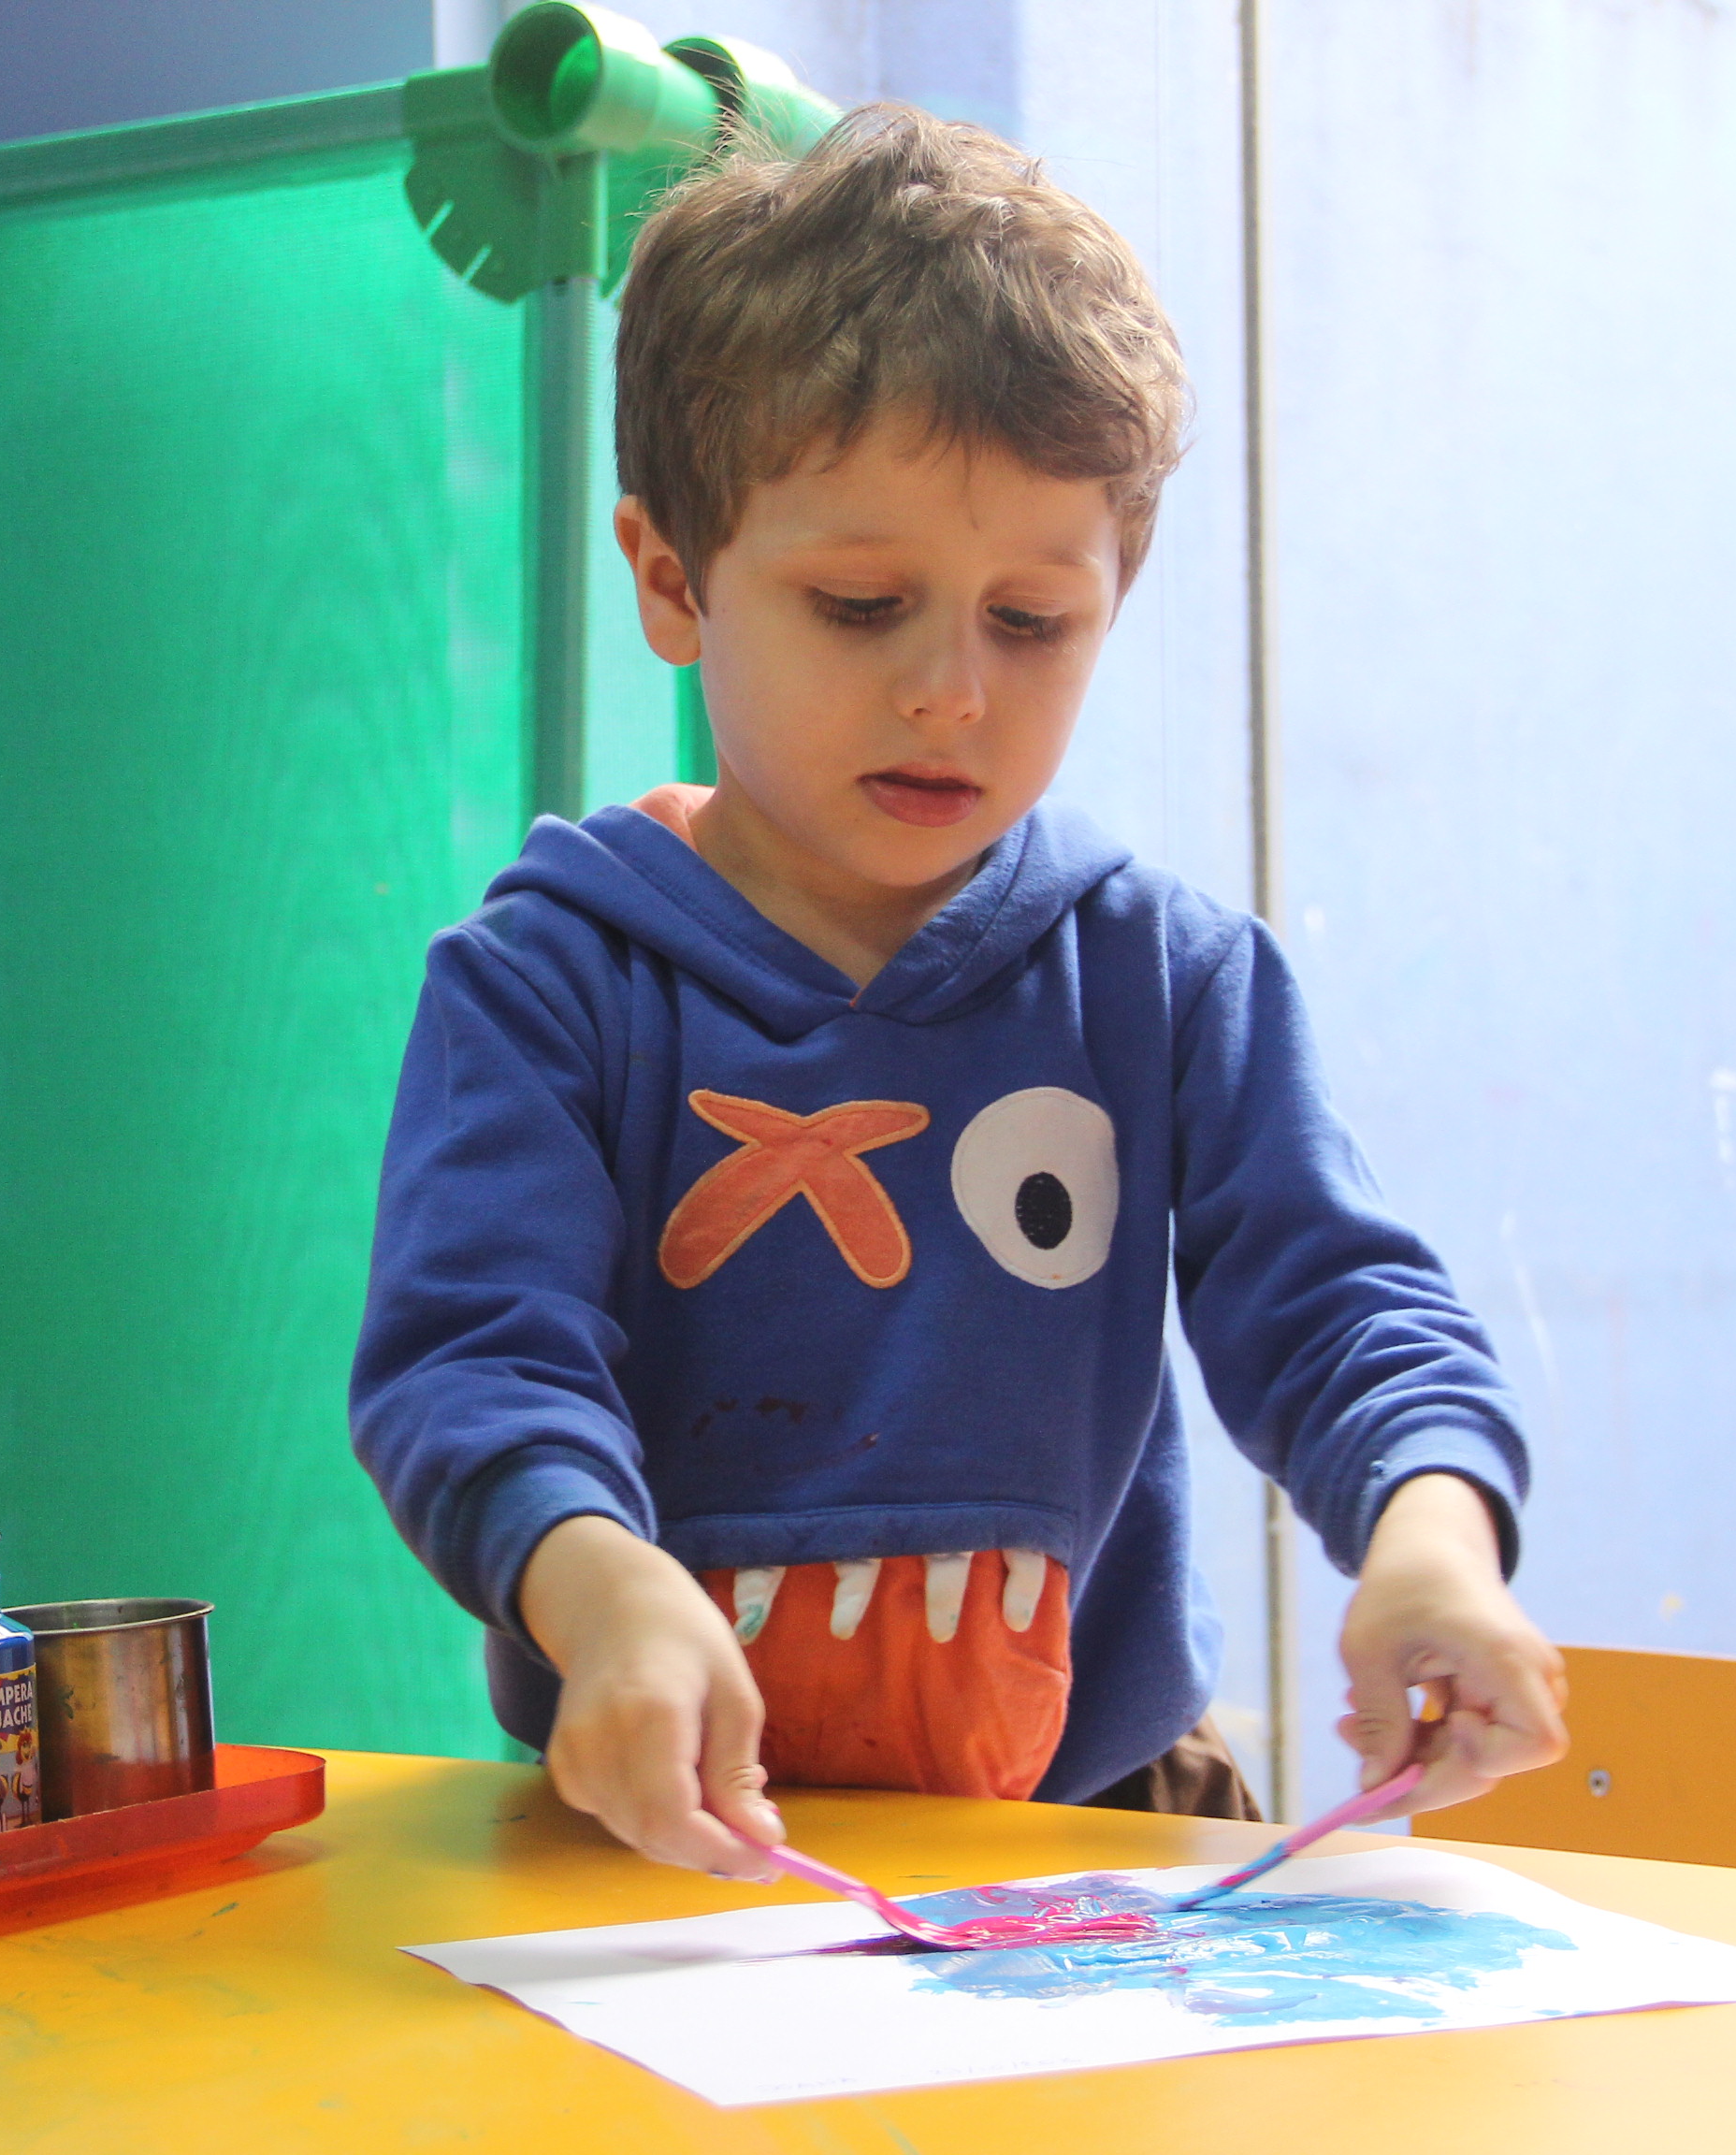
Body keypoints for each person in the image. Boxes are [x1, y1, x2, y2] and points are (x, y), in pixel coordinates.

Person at [351, 105, 1567, 1878]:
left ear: (1114, 598)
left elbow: (1345, 1313)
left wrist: (1434, 1545)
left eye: (1032, 620)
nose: (952, 692)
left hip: (1104, 1827)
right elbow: (477, 1360)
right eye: (862, 604)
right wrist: (598, 1587)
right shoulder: (549, 985)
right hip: (663, 1847)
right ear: (673, 581)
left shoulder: (1169, 978)